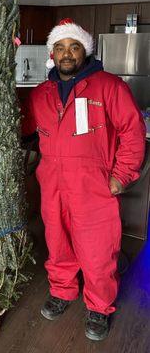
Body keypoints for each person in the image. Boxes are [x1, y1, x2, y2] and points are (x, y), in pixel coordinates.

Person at [22, 18, 145, 341]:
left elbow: (133, 134)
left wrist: (121, 176)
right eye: (60, 47)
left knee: (98, 249)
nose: (66, 54)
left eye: (73, 47)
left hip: (94, 185)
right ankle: (63, 291)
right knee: (58, 242)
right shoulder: (40, 94)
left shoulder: (109, 86)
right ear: (52, 53)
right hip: (53, 184)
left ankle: (99, 306)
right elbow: (24, 129)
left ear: (84, 51)